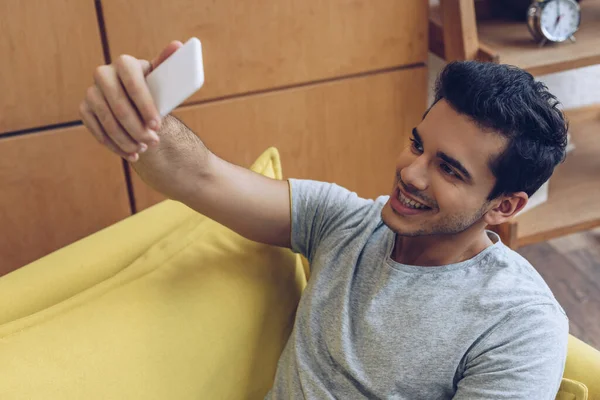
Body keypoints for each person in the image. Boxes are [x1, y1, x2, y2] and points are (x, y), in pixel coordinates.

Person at [80, 40, 569, 399]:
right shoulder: (345, 221)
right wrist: (141, 116)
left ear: (504, 206)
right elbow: (200, 177)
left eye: (448, 169)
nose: (410, 173)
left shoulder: (520, 325)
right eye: (418, 144)